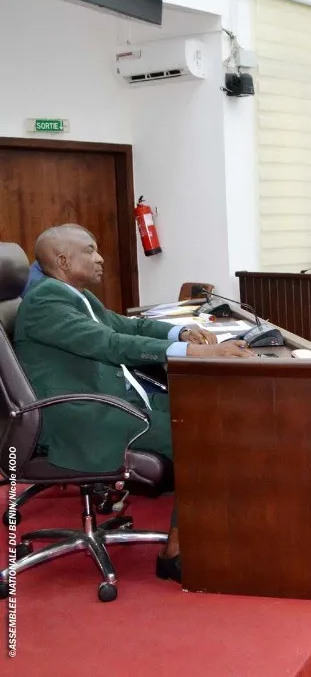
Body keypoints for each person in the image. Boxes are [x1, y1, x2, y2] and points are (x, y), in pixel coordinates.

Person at [14, 225, 254, 583]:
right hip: (81, 418)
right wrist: (194, 351)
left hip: (109, 400)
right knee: (200, 432)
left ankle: (207, 519)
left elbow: (126, 327)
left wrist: (179, 333)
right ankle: (178, 549)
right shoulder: (45, 303)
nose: (101, 258)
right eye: (90, 251)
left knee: (208, 412)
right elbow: (110, 344)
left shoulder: (73, 295)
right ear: (63, 261)